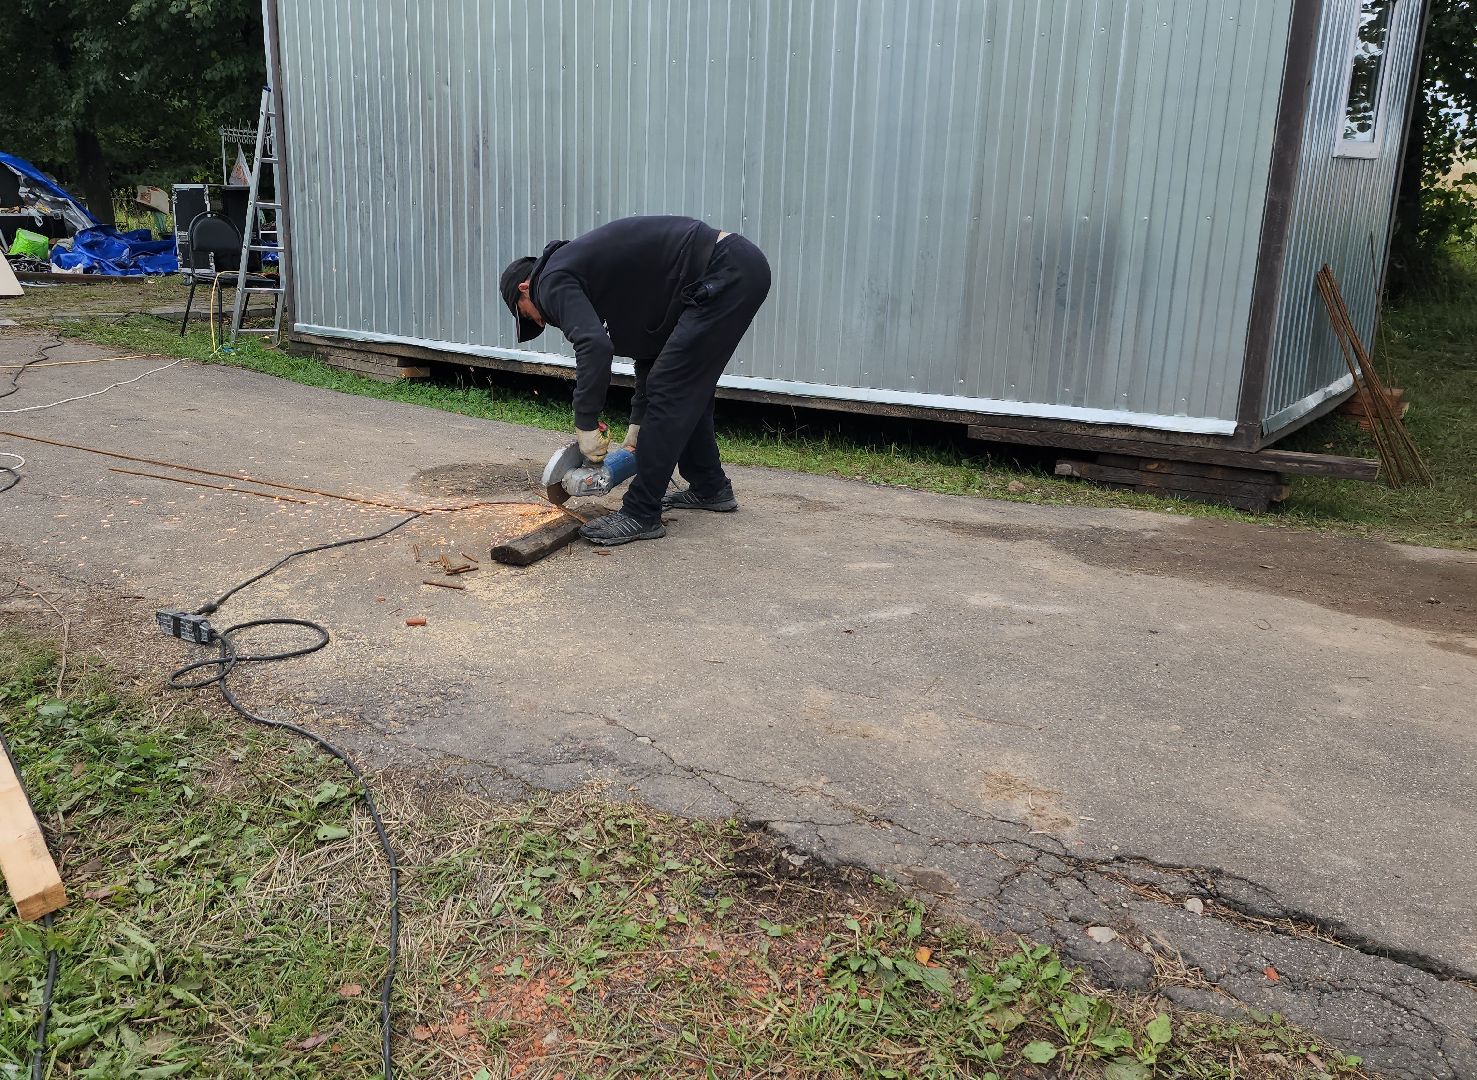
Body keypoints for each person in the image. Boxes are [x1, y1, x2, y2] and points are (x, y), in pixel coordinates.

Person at [500, 215, 770, 546]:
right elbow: (651, 348)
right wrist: (639, 422)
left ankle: (641, 513)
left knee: (672, 390)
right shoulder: (597, 276)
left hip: (722, 270)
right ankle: (710, 487)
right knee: (684, 386)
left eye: (527, 313)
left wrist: (585, 424)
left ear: (525, 287)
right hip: (731, 268)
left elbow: (594, 346)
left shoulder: (551, 278)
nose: (540, 321)